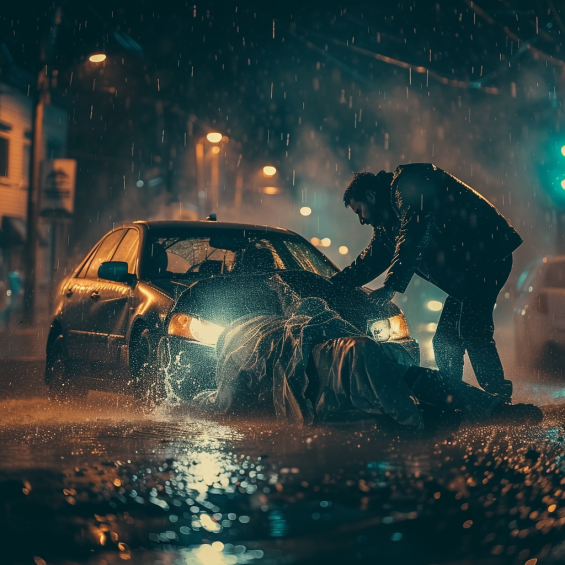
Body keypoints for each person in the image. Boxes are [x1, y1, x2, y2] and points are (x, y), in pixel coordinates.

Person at [190, 276, 541, 429]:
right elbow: (305, 311)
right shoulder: (253, 334)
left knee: (388, 396)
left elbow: (227, 400)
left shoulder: (240, 343)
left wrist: (196, 405)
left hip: (336, 358)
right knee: (406, 381)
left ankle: (452, 416)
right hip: (342, 348)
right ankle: (489, 409)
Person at [333, 164, 522, 403]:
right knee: (444, 340)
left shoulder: (409, 182)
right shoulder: (389, 222)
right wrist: (328, 286)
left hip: (489, 255)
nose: (361, 220)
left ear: (371, 195)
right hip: (470, 269)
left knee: (473, 330)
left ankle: (498, 397)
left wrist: (391, 285)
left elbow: (414, 230)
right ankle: (452, 398)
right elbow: (368, 262)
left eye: (359, 211)